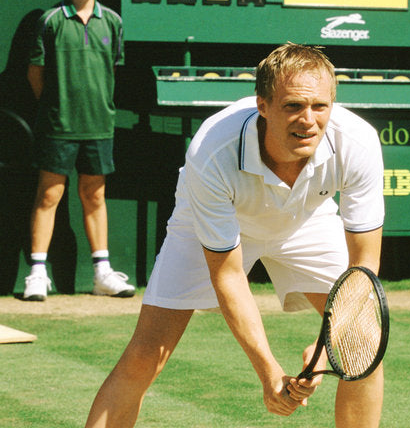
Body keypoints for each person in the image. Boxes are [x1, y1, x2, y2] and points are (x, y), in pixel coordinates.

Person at [85, 43, 386, 427]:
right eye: (293, 106)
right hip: (213, 221)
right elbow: (227, 275)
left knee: (363, 343)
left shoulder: (357, 142)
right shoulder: (213, 151)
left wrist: (329, 342)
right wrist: (268, 372)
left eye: (320, 106)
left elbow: (364, 264)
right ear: (263, 105)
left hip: (305, 217)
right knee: (146, 354)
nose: (308, 120)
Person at [23, 0, 132, 301]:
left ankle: (102, 273)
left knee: (94, 195)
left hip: (99, 125)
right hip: (59, 125)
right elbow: (36, 75)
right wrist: (56, 108)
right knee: (49, 195)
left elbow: (111, 71)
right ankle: (37, 273)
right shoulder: (51, 20)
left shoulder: (112, 21)